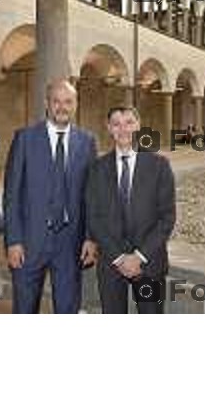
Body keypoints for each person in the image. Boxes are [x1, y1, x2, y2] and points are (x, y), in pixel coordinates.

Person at [4, 78, 98, 314]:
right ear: (47, 104)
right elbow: (12, 195)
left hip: (70, 242)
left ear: (75, 104)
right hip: (29, 241)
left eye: (68, 101)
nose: (62, 107)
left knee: (67, 310)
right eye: (56, 101)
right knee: (25, 309)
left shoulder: (87, 142)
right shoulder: (24, 139)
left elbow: (91, 196)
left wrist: (89, 237)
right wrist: (13, 241)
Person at [86, 106, 176, 314]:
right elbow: (93, 217)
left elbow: (167, 218)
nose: (123, 129)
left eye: (128, 122)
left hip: (149, 263)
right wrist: (119, 258)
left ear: (138, 125)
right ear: (109, 128)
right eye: (116, 124)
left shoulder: (159, 165)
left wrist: (139, 256)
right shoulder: (97, 168)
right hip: (110, 263)